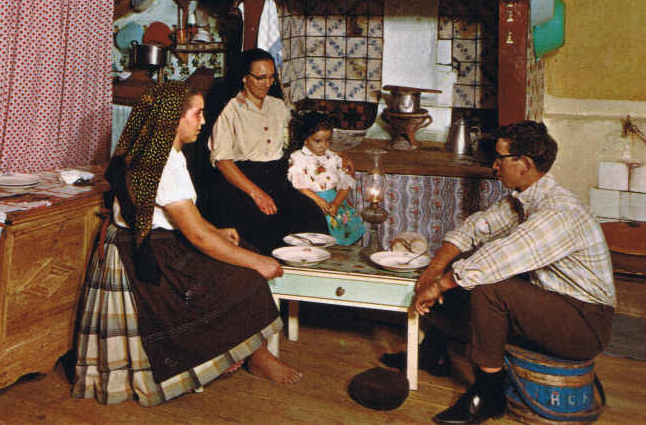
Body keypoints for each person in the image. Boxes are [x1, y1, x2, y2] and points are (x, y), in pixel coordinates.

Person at [72, 81, 301, 407]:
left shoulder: (154, 148)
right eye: (197, 114)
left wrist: (216, 231)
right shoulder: (164, 163)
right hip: (147, 253)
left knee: (245, 252)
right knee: (247, 277)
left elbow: (184, 219)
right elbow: (195, 235)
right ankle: (255, 358)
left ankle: (255, 354)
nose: (203, 121)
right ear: (173, 119)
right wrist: (256, 263)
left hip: (149, 241)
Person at [391, 121, 616, 425]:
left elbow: (496, 260)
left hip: (585, 325)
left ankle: (488, 394)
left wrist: (439, 286)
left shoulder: (559, 212)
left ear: (525, 164)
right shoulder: (524, 199)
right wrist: (434, 270)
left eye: (500, 158)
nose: (494, 166)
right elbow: (474, 228)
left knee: (489, 286)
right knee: (466, 269)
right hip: (557, 305)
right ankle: (432, 353)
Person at [208, 48, 350, 253]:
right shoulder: (229, 109)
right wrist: (257, 195)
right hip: (242, 182)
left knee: (312, 218)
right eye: (260, 78)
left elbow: (304, 139)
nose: (267, 83)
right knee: (267, 228)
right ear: (245, 78)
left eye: (271, 77)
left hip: (278, 178)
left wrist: (339, 156)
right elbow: (223, 162)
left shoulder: (277, 106)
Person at [287, 111, 365, 245]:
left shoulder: (334, 157)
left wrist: (336, 203)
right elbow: (300, 185)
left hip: (334, 202)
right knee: (318, 235)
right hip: (311, 201)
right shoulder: (298, 158)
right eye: (317, 141)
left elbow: (345, 184)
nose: (323, 145)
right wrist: (318, 200)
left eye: (327, 140)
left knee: (340, 232)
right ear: (306, 139)